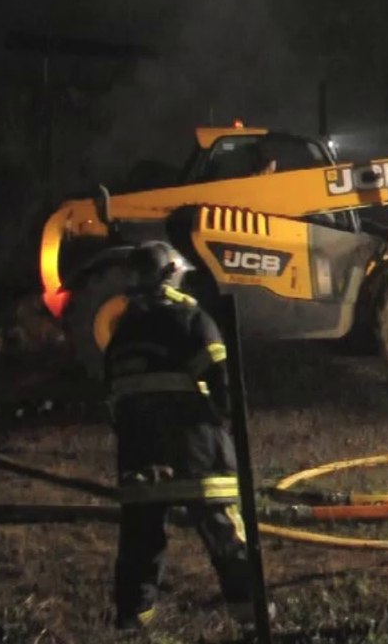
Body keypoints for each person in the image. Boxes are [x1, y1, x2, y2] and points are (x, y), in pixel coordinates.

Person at [103, 241, 262, 630]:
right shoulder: (191, 320)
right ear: (172, 274)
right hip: (197, 454)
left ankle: (131, 624)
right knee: (226, 537)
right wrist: (227, 426)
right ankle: (253, 621)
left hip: (140, 460)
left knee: (140, 545)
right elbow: (224, 386)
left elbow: (114, 404)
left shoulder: (120, 334)